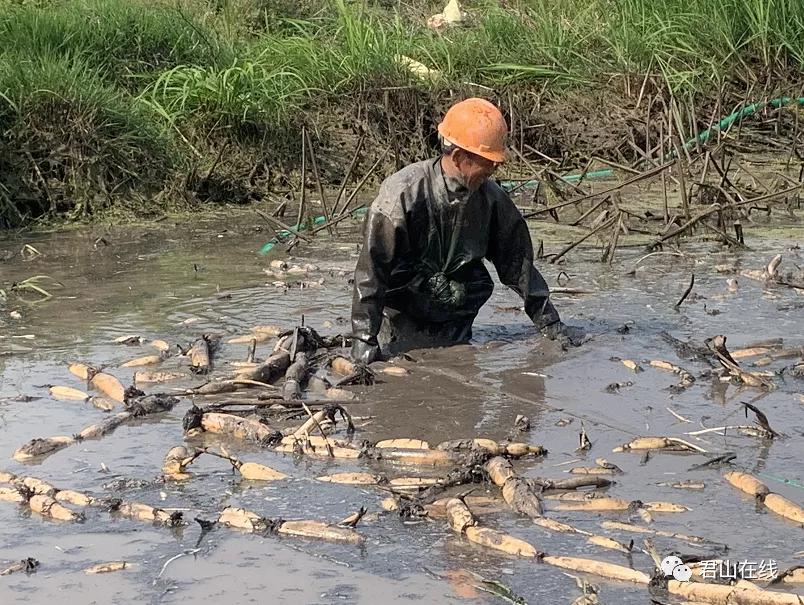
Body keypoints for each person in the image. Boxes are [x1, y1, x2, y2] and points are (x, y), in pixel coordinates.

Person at [350, 97, 584, 364]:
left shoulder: (492, 200)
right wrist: (362, 340)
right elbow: (371, 273)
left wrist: (550, 323)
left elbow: (518, 265)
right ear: (460, 157)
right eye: (488, 162)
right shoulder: (401, 196)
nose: (495, 169)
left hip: (456, 310)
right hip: (402, 306)